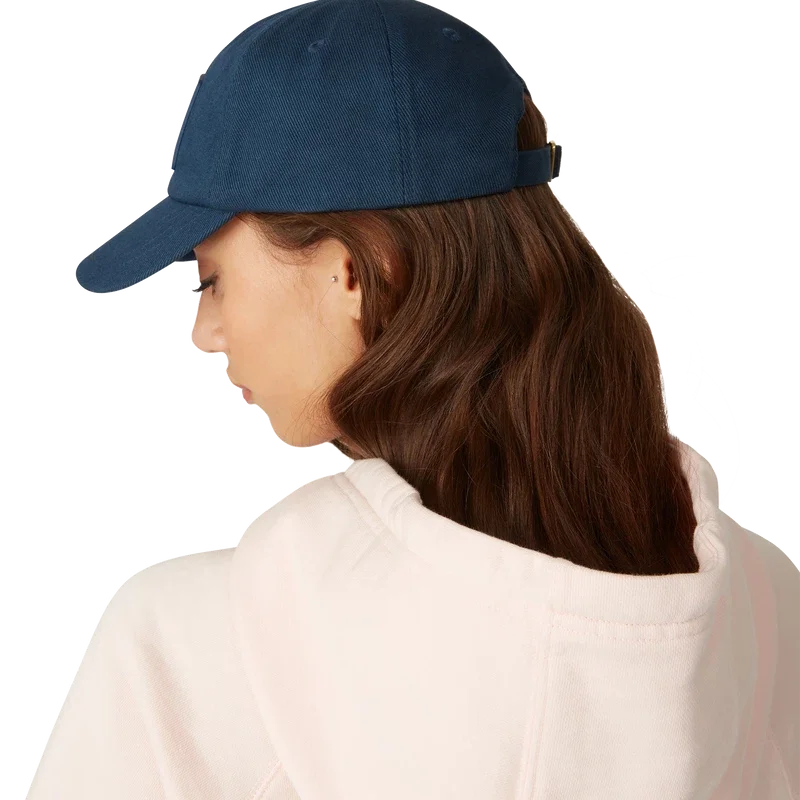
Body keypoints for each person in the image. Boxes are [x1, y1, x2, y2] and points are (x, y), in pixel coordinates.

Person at [37, 1, 798, 798]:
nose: (205, 332)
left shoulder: (184, 660)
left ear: (356, 272)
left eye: (212, 279)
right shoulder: (772, 624)